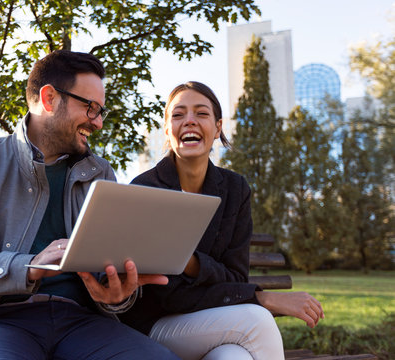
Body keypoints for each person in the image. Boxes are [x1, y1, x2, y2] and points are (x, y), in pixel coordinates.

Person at [0, 50, 179, 360]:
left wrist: (116, 296)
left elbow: (110, 267)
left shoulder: (101, 173)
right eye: (91, 107)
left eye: (101, 112)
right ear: (49, 98)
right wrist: (27, 267)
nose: (97, 122)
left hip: (83, 324)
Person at [118, 81, 325, 360]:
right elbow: (168, 294)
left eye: (201, 113)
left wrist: (190, 264)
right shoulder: (145, 188)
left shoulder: (235, 188)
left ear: (217, 128)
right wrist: (261, 297)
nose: (189, 120)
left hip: (215, 323)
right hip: (152, 327)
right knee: (258, 320)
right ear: (167, 129)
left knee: (233, 356)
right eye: (178, 115)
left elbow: (236, 276)